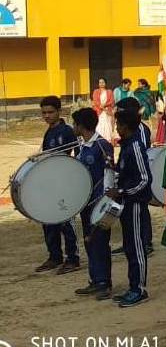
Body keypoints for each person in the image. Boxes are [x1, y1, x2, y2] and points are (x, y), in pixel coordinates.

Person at [106, 108, 152, 307]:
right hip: (127, 203)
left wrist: (122, 192)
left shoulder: (135, 147)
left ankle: (139, 289)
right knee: (129, 246)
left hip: (135, 204)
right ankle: (133, 286)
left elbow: (144, 179)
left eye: (118, 124)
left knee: (136, 247)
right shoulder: (126, 146)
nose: (116, 127)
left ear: (125, 126)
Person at [71, 108, 114, 298]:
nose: (73, 127)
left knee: (100, 242)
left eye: (74, 123)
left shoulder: (102, 145)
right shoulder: (83, 146)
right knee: (89, 241)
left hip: (99, 203)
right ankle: (95, 279)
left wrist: (105, 201)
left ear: (81, 125)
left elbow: (110, 173)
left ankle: (104, 283)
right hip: (86, 203)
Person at [35, 96, 81, 274]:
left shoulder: (67, 131)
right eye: (44, 113)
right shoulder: (49, 132)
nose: (47, 116)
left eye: (50, 112)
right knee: (48, 219)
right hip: (51, 182)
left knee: (65, 220)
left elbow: (77, 153)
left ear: (59, 111)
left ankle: (73, 258)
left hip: (63, 182)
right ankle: (54, 256)